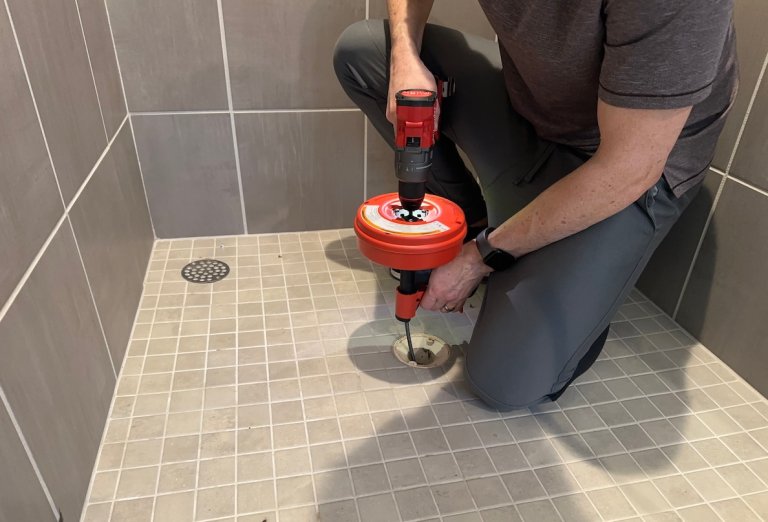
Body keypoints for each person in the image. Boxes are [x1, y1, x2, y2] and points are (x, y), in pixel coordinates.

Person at [333, 0, 737, 410]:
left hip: (627, 169)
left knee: (504, 381)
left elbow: (628, 168)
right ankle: (476, 224)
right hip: (534, 118)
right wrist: (406, 56)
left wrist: (480, 258)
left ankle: (545, 266)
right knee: (364, 52)